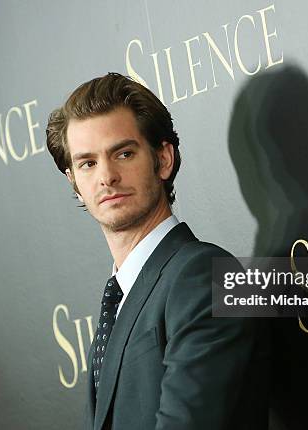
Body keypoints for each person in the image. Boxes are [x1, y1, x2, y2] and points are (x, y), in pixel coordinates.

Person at [45, 73, 269, 430]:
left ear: (163, 159)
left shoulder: (206, 275)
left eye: (123, 153)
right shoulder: (120, 299)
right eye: (88, 163)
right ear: (73, 181)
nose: (106, 177)